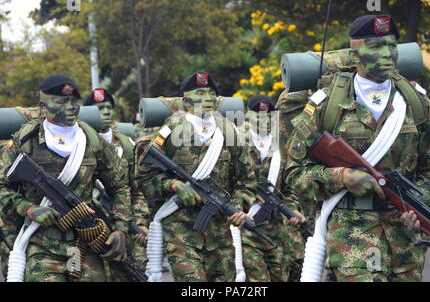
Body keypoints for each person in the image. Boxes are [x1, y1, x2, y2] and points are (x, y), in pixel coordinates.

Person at [284, 15, 430, 282]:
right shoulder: (325, 104)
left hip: (405, 244)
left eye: (391, 46)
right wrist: (342, 177)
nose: (386, 53)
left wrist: (420, 206)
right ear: (354, 55)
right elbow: (294, 174)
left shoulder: (417, 103)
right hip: (352, 239)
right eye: (375, 46)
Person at [0, 74, 132, 282]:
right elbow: (2, 187)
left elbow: (119, 186)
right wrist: (29, 208)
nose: (70, 107)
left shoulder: (92, 141)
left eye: (74, 101)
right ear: (43, 107)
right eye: (61, 102)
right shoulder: (24, 141)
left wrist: (121, 229)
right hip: (43, 245)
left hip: (82, 246)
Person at [135, 72, 256, 281]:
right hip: (181, 229)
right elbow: (145, 178)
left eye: (211, 93)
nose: (207, 98)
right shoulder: (170, 131)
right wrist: (174, 185)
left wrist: (237, 207)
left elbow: (247, 180)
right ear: (185, 99)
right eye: (200, 93)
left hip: (219, 231)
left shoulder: (229, 132)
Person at [84, 88, 150, 271]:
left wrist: (140, 221)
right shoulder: (81, 143)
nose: (105, 112)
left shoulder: (127, 145)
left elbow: (137, 190)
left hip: (127, 226)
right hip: (93, 228)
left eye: (108, 107)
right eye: (99, 108)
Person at [239, 94, 303, 282]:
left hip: (277, 229)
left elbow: (291, 184)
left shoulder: (284, 147)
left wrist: (292, 207)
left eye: (269, 115)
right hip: (244, 226)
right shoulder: (237, 143)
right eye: (259, 115)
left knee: (280, 275)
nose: (264, 119)